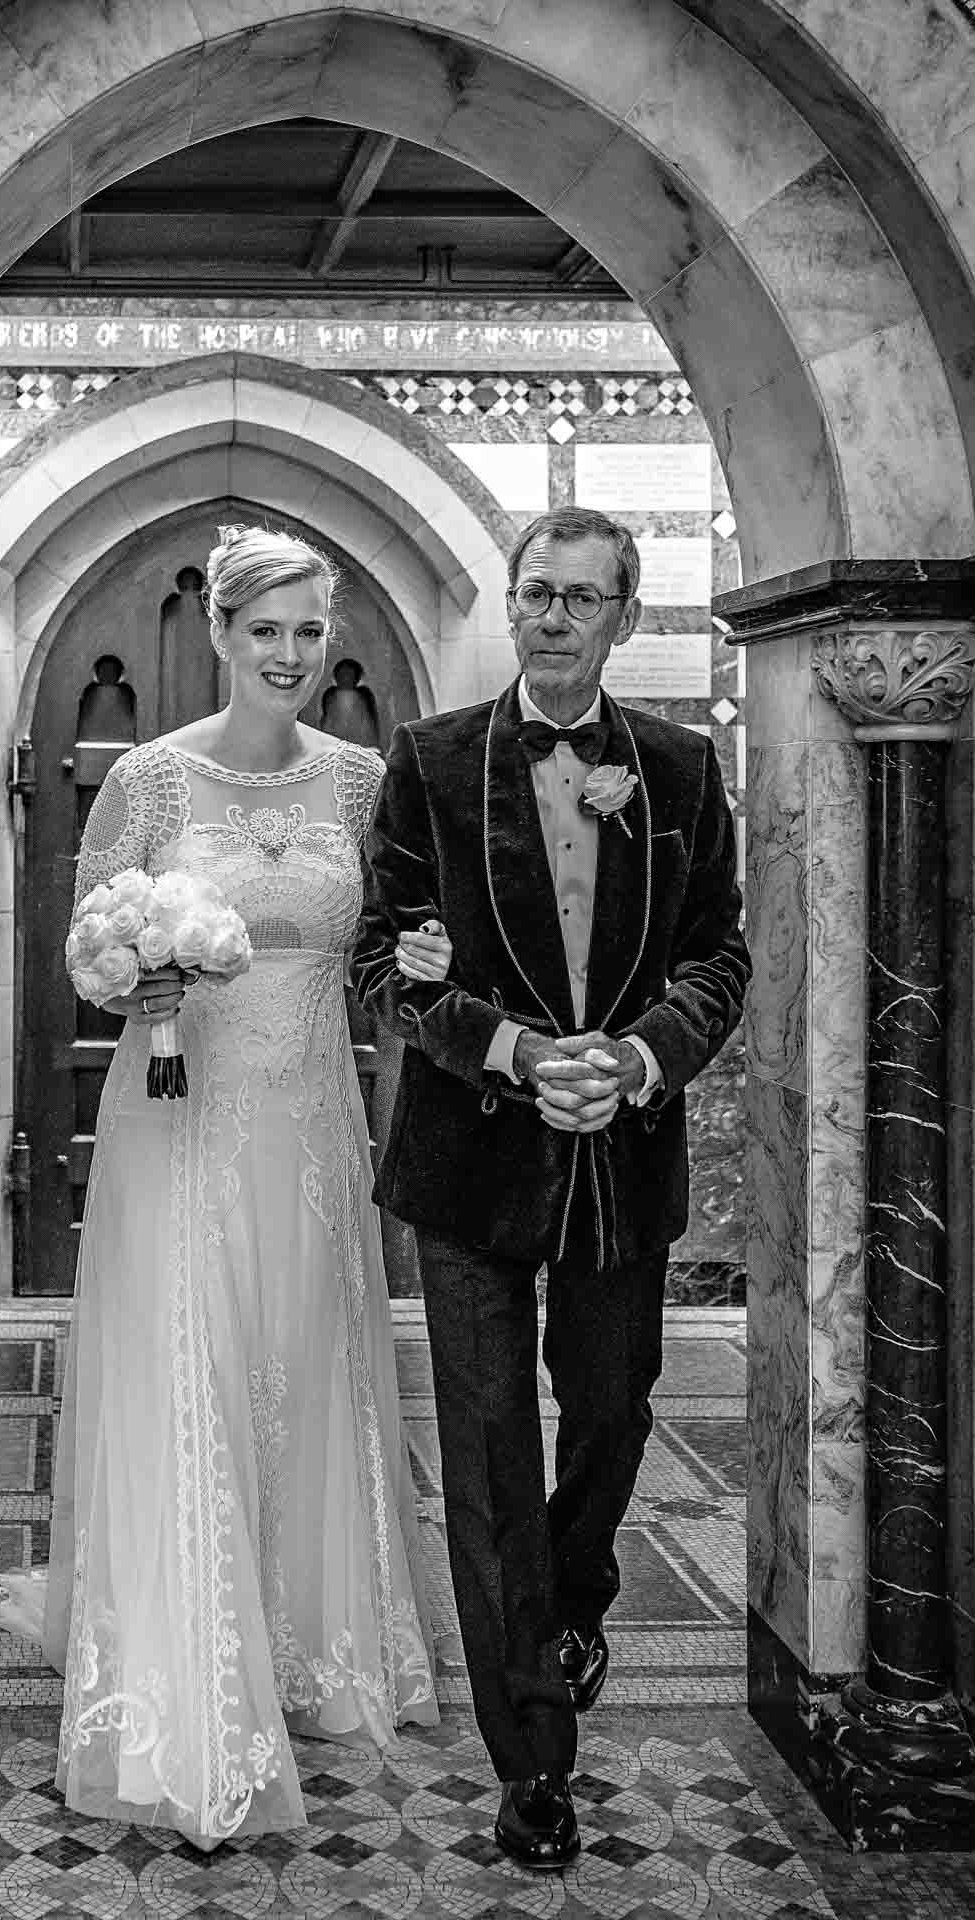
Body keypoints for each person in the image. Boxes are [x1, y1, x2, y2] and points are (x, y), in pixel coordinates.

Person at [37, 524, 451, 1848]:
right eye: (262, 628)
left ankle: (313, 1643)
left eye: (306, 630)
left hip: (315, 1124)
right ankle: (190, 1666)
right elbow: (85, 939)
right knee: (194, 1362)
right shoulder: (150, 781)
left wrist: (431, 962)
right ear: (219, 633)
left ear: (329, 641)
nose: (286, 653)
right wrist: (129, 972)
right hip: (182, 1116)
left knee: (305, 1362)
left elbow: (389, 947)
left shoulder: (360, 782)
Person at [351, 506, 750, 1870]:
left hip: (620, 1156)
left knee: (611, 1407)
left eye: (584, 597)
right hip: (469, 1160)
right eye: (537, 593)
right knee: (483, 1452)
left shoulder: (684, 772)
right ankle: (532, 1751)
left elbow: (719, 961)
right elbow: (378, 970)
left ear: (623, 619)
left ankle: (577, 1587)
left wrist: (636, 1060)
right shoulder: (430, 761)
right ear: (510, 606)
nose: (555, 616)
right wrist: (516, 1052)